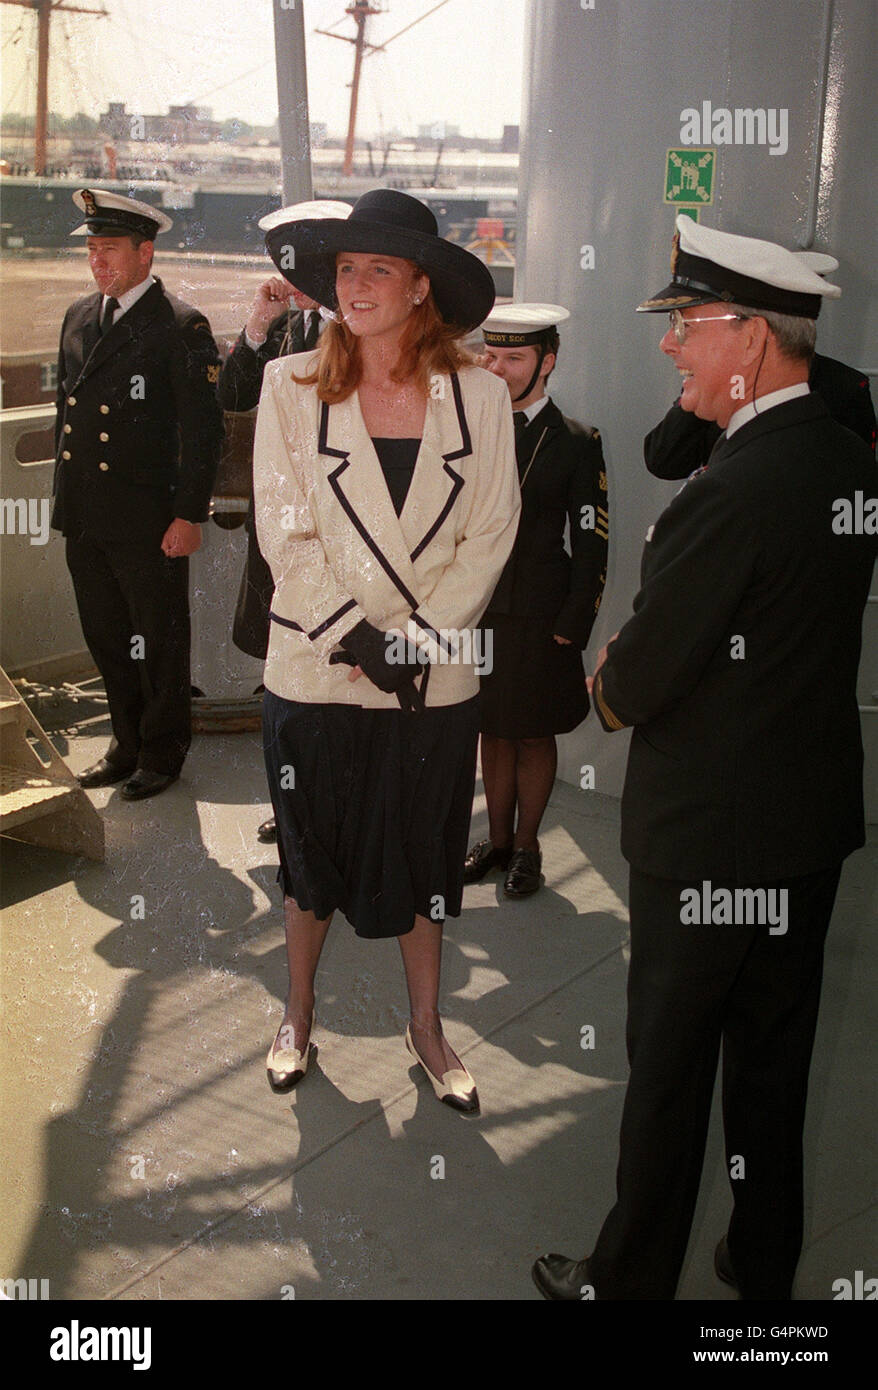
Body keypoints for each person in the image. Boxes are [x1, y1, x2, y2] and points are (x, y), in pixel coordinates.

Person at [532, 215, 878, 1300]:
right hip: (801, 827)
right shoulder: (836, 449)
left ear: (753, 336)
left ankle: (625, 1279)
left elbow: (632, 686)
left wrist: (606, 672)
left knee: (670, 1071)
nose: (672, 345)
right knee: (773, 1059)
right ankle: (759, 1256)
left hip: (707, 844)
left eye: (688, 325)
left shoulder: (731, 490)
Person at [254, 189, 520, 1110]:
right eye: (344, 270)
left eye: (377, 269)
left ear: (419, 288)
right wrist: (364, 640)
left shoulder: (481, 397)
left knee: (426, 863)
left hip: (428, 681)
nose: (355, 286)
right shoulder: (287, 388)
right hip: (319, 669)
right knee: (308, 862)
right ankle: (296, 1014)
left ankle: (428, 1027)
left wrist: (413, 643)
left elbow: (491, 531)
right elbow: (284, 532)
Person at [53, 190, 223, 800]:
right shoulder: (78, 314)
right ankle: (125, 744)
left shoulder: (179, 325)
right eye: (93, 250)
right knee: (105, 634)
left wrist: (188, 514)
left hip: (149, 520)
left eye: (111, 250)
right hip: (87, 515)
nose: (99, 262)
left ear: (145, 253)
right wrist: (63, 506)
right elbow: (64, 416)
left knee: (158, 639)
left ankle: (162, 752)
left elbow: (204, 433)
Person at [463, 304, 608, 896]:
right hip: (477, 610)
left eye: (514, 358)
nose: (497, 369)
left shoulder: (577, 441)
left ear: (547, 362)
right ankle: (495, 843)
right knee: (490, 730)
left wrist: (576, 621)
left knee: (531, 733)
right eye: (490, 356)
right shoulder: (467, 429)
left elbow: (593, 539)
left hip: (542, 614)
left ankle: (527, 847)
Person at [217, 200, 351, 843]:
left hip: (339, 544)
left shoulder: (359, 333)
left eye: (292, 257)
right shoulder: (290, 329)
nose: (281, 270)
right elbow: (234, 397)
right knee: (287, 684)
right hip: (282, 543)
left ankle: (336, 809)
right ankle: (295, 803)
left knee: (336, 680)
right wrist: (255, 327)